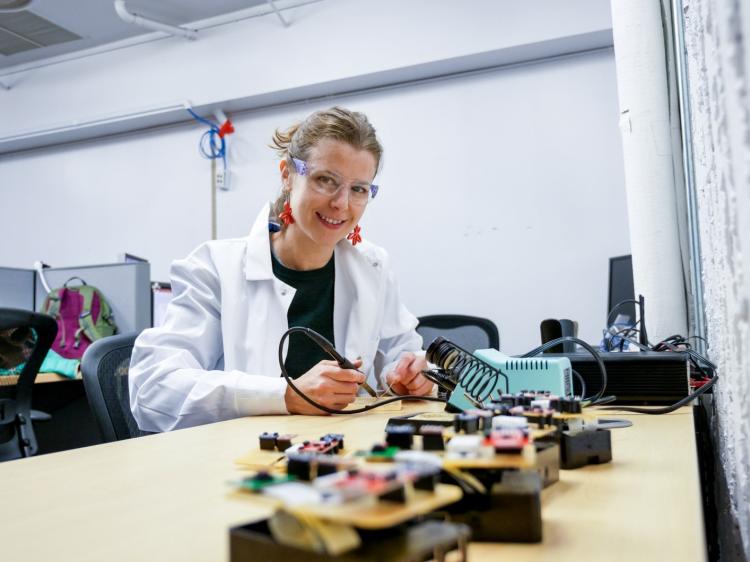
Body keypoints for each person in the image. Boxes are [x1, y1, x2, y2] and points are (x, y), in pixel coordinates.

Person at [129, 107, 433, 432]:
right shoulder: (214, 269)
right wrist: (285, 395)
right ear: (287, 174)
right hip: (234, 462)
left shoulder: (372, 267)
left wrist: (409, 376)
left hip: (344, 457)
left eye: (358, 189)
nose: (341, 204)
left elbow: (402, 352)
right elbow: (153, 389)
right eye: (325, 180)